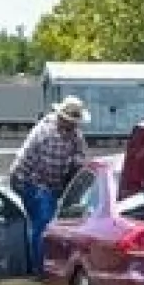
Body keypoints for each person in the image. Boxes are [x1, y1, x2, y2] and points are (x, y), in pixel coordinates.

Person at [9, 95, 88, 272]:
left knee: (42, 222)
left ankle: (40, 264)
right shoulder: (47, 133)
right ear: (62, 118)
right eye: (72, 121)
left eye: (76, 121)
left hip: (51, 186)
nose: (75, 124)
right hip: (30, 181)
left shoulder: (75, 135)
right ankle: (40, 270)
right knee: (44, 223)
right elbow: (41, 166)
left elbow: (80, 160)